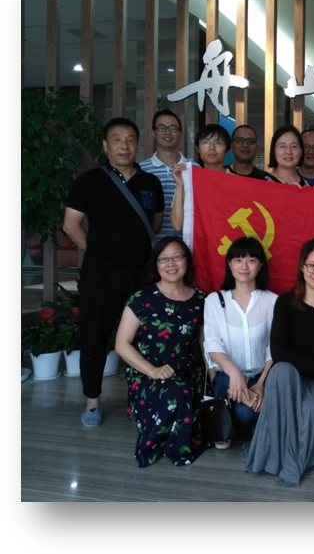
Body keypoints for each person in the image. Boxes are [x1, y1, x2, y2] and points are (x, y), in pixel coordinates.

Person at [63, 117, 164, 428]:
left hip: (141, 273)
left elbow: (155, 223)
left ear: (137, 144)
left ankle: (144, 396)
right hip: (101, 272)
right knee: (94, 334)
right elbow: (71, 225)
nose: (124, 145)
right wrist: (98, 250)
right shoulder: (89, 181)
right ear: (106, 146)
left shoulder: (151, 183)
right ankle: (92, 401)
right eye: (117, 139)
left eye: (130, 139)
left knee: (146, 336)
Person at [244, 238, 314, 486]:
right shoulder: (286, 302)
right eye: (312, 265)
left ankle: (293, 459)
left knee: (312, 410)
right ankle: (276, 456)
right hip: (291, 379)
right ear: (302, 267)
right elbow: (280, 351)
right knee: (281, 371)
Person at [114, 237, 206, 467]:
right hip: (147, 372)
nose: (170, 264)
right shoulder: (142, 298)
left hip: (189, 371)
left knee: (192, 393)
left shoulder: (200, 300)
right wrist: (153, 371)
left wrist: (212, 375)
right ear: (156, 265)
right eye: (163, 259)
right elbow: (122, 344)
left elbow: (205, 343)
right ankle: (168, 444)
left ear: (187, 261)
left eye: (177, 257)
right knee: (176, 392)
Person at [203, 237, 278, 449]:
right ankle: (262, 415)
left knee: (245, 413)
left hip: (258, 376)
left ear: (260, 265)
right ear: (229, 264)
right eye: (238, 260)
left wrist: (261, 383)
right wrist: (234, 373)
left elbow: (274, 347)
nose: (244, 266)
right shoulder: (214, 300)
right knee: (227, 384)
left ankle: (244, 413)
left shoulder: (272, 300)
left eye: (251, 260)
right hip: (226, 377)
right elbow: (212, 344)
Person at [140, 109, 199, 240]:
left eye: (173, 128)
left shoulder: (194, 169)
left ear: (180, 133)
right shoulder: (141, 170)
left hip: (186, 245)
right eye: (161, 128)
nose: (167, 132)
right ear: (153, 133)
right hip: (151, 246)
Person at [171, 123, 232, 232]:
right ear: (198, 149)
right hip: (198, 241)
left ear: (227, 149)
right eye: (206, 142)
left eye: (218, 143)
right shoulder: (189, 181)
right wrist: (180, 186)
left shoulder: (236, 182)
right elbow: (177, 225)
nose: (212, 148)